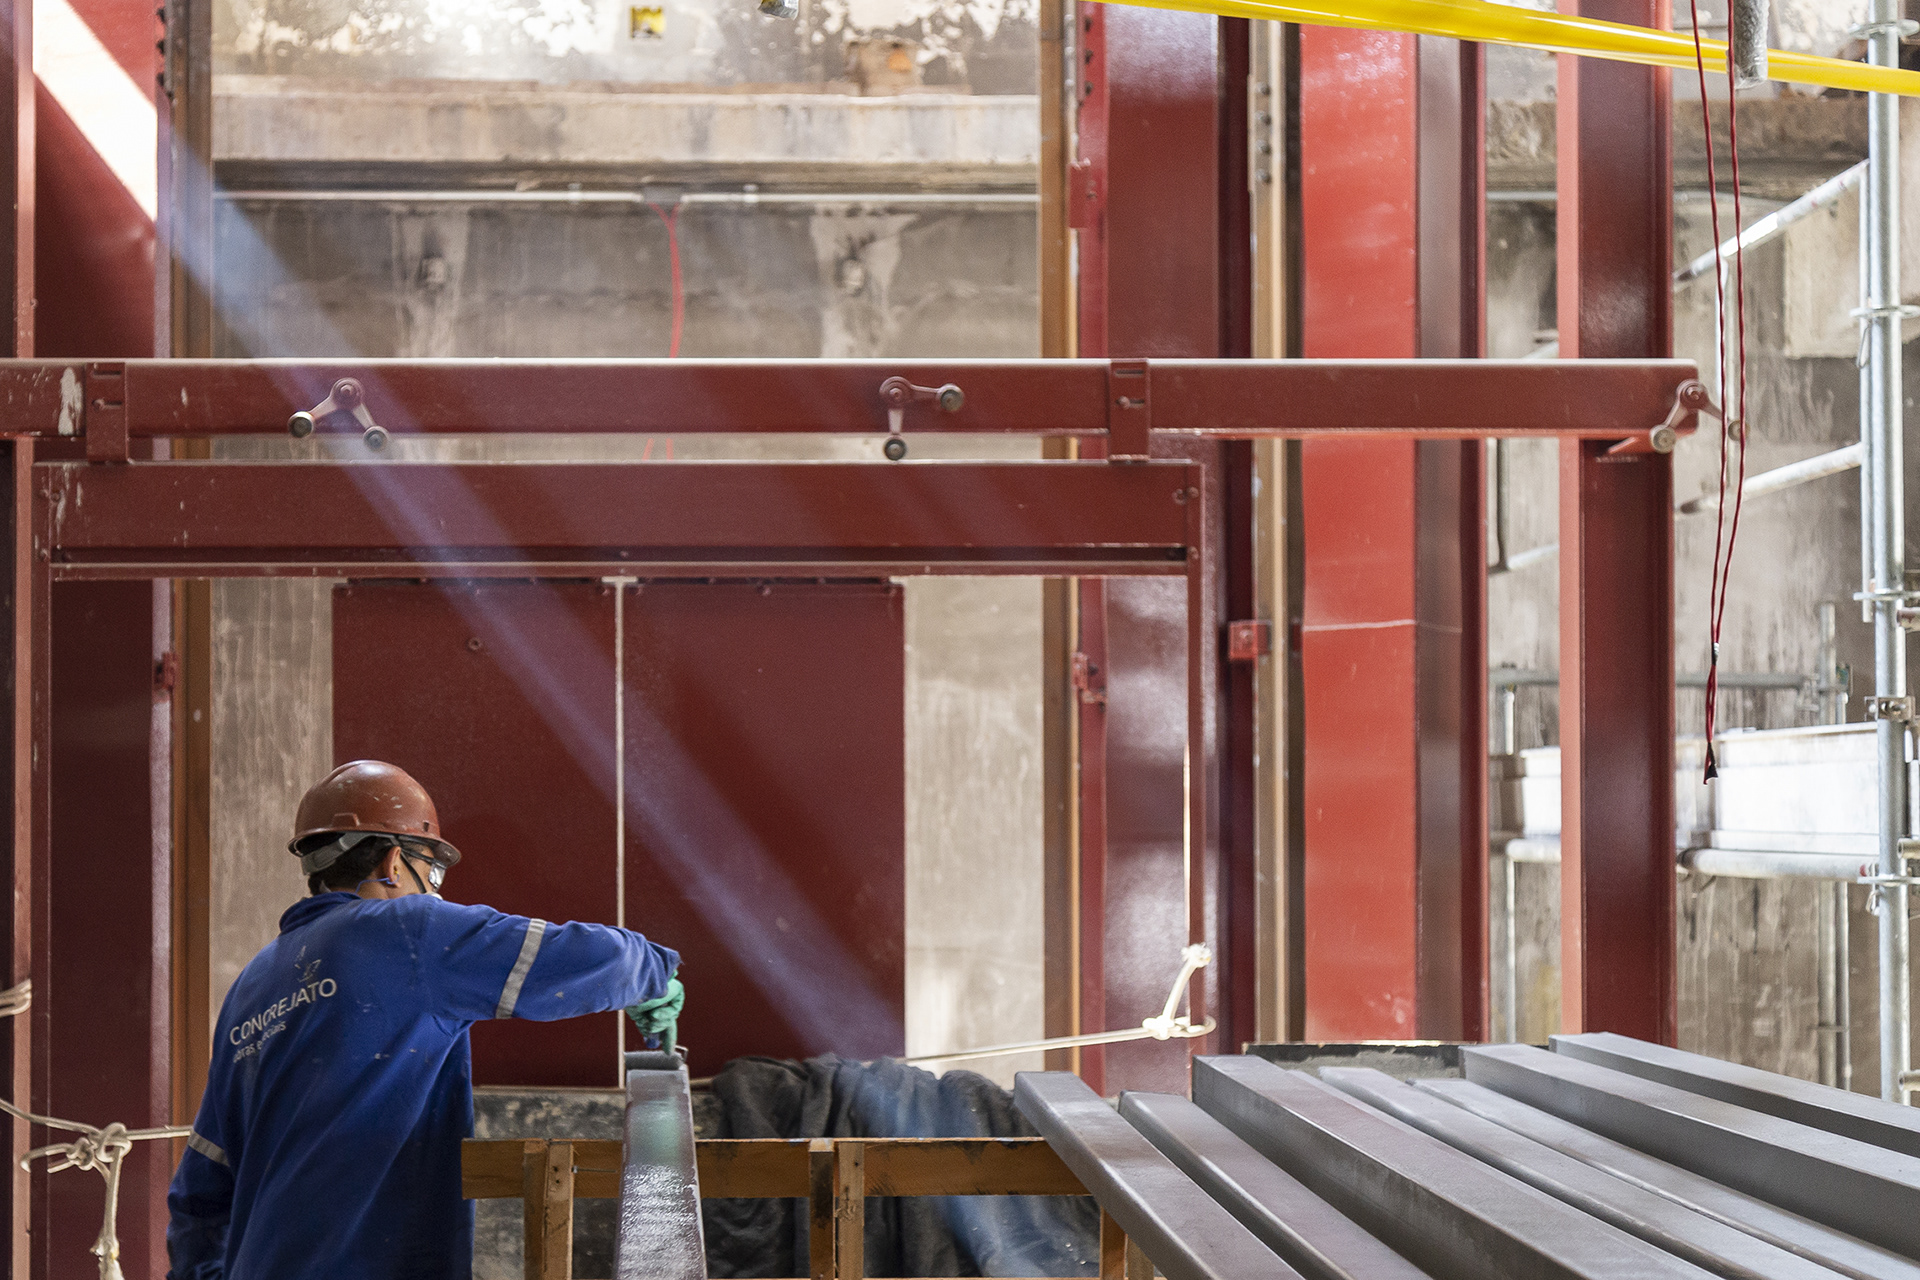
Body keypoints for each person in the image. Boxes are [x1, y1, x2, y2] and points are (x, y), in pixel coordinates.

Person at [165, 760, 680, 1280]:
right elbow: (580, 960)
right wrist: (657, 971)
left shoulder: (253, 984)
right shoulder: (409, 931)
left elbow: (201, 1185)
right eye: (432, 870)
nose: (436, 889)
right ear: (394, 862)